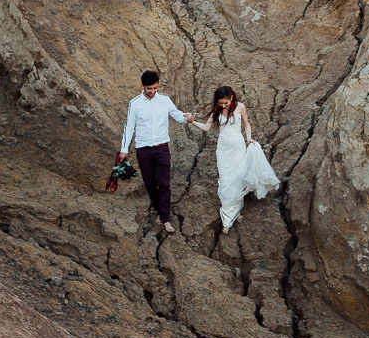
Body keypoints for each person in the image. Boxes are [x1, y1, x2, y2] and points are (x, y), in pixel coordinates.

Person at [189, 85, 279, 233]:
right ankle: (229, 214)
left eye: (225, 103)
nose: (223, 105)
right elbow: (206, 128)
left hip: (237, 148)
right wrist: (192, 121)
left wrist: (249, 138)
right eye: (220, 103)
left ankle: (231, 216)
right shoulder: (217, 110)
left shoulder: (240, 107)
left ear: (231, 98)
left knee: (237, 179)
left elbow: (246, 124)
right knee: (225, 180)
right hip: (223, 150)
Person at [118, 70, 193, 233]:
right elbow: (129, 127)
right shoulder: (135, 103)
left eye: (155, 88)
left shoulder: (165, 101)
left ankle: (165, 218)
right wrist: (124, 149)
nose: (152, 91)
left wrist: (187, 117)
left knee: (164, 184)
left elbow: (178, 116)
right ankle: (160, 210)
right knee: (150, 184)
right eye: (149, 88)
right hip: (143, 150)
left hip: (162, 149)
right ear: (142, 86)